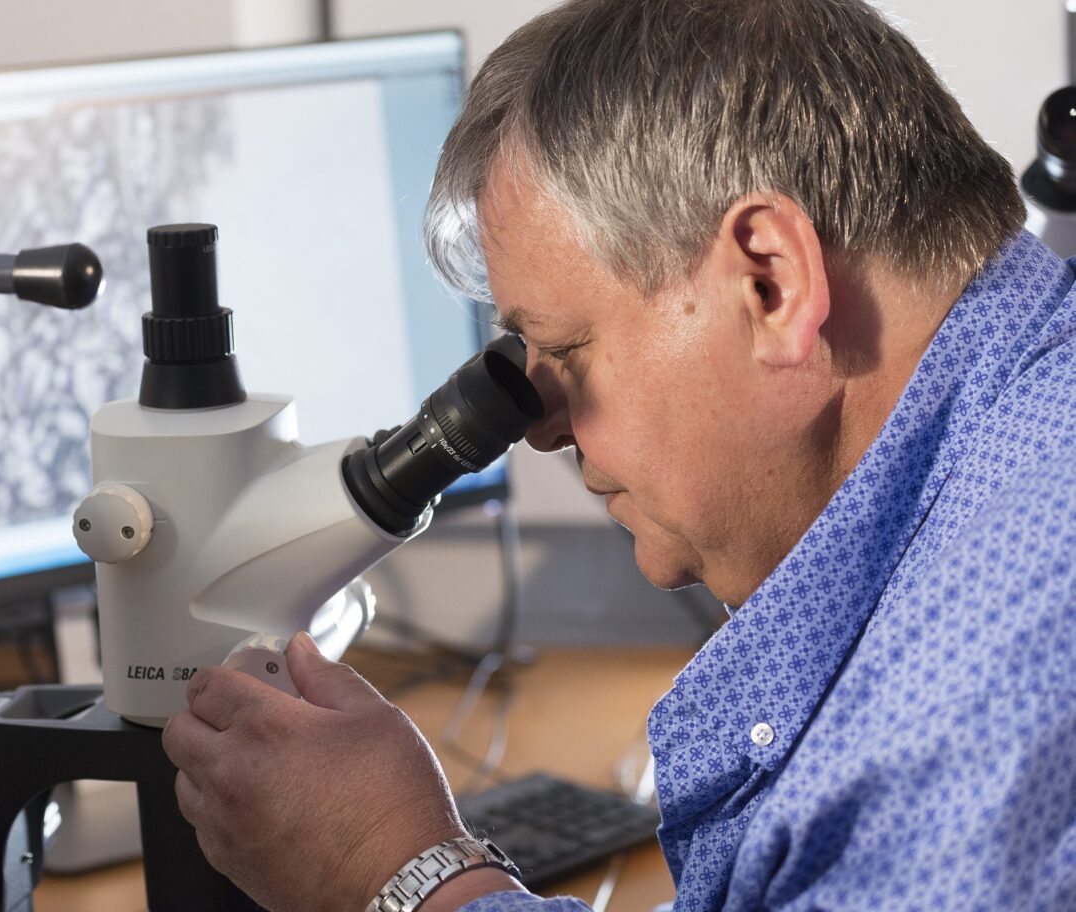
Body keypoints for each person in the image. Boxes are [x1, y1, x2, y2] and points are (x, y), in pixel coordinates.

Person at [161, 0, 1076, 909]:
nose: (539, 425)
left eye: (565, 351)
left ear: (770, 281)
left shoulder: (988, 665)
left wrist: (393, 866)